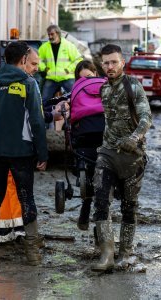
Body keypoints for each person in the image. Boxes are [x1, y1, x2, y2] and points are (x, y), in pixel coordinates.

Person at [0, 41, 48, 266]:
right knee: (26, 197)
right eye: (31, 60)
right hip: (21, 152)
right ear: (23, 60)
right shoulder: (28, 84)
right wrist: (42, 153)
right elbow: (37, 122)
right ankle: (33, 253)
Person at [91, 44, 152, 272]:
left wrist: (135, 138)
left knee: (129, 206)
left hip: (132, 156)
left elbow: (146, 117)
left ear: (122, 62)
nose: (109, 66)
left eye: (114, 62)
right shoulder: (103, 90)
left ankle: (125, 252)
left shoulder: (133, 86)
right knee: (100, 200)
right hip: (107, 153)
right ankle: (107, 255)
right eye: (106, 63)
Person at [70, 60, 106, 231]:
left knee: (103, 184)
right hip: (86, 136)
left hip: (103, 134)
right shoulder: (77, 93)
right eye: (81, 79)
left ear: (96, 74)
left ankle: (94, 221)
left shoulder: (107, 89)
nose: (85, 82)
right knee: (91, 178)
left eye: (89, 77)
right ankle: (86, 209)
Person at [38, 24, 83, 106]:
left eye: (52, 34)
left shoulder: (68, 45)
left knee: (77, 96)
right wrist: (44, 68)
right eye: (49, 34)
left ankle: (78, 113)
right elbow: (38, 59)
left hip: (67, 77)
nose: (50, 36)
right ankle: (44, 117)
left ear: (58, 33)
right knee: (43, 100)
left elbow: (78, 60)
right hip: (51, 78)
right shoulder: (44, 47)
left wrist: (68, 70)